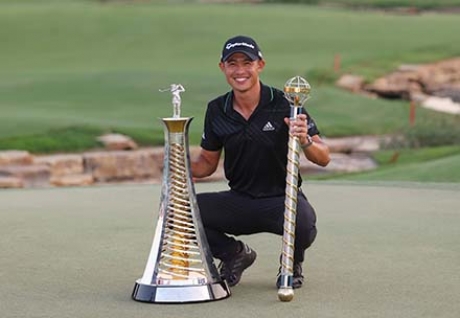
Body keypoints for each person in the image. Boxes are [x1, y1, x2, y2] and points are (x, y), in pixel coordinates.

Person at [191, 35, 330, 289]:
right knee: (184, 213)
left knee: (305, 223)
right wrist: (176, 164)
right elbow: (206, 164)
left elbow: (324, 157)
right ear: (223, 68)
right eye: (232, 63)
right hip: (239, 200)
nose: (240, 70)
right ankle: (235, 254)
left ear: (260, 65)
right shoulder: (216, 109)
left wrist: (305, 140)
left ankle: (292, 261)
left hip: (281, 199)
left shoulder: (286, 104)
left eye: (247, 62)